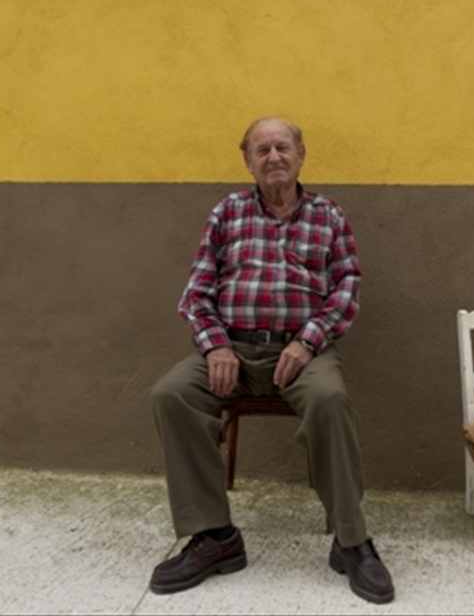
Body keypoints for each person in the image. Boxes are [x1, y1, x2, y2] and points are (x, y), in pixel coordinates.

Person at [149, 117, 394, 604]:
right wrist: (216, 344)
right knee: (171, 394)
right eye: (262, 150)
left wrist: (308, 340)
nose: (273, 157)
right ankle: (216, 537)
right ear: (248, 162)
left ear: (302, 154)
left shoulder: (328, 215)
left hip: (303, 351)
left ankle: (351, 541)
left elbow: (347, 288)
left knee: (329, 399)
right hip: (232, 348)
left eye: (283, 147)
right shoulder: (227, 213)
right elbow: (196, 292)